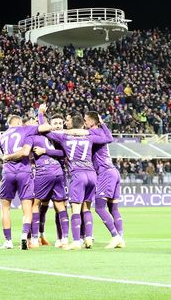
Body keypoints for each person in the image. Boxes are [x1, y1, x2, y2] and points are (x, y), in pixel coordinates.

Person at [45, 113, 113, 250]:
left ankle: (76, 241)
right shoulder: (89, 136)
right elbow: (108, 138)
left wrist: (41, 114)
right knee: (87, 208)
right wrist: (102, 123)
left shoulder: (64, 136)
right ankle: (88, 238)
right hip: (92, 174)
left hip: (77, 174)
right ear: (82, 124)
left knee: (75, 210)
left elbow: (47, 132)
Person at [0, 115, 51, 250]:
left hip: (8, 172)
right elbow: (47, 127)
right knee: (27, 208)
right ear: (18, 122)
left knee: (5, 208)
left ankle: (8, 241)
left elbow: (5, 154)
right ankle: (23, 235)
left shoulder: (1, 137)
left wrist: (8, 157)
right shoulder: (24, 130)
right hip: (24, 172)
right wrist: (41, 115)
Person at [26, 104, 69, 249]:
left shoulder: (60, 136)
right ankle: (59, 238)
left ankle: (36, 238)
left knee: (38, 204)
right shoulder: (53, 136)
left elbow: (63, 153)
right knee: (54, 205)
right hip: (57, 172)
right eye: (54, 123)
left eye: (59, 123)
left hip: (48, 172)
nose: (57, 126)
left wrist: (40, 113)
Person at [81, 112, 124, 249]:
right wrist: (103, 123)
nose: (84, 122)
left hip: (105, 173)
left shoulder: (92, 134)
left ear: (92, 122)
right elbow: (109, 137)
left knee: (99, 207)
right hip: (113, 171)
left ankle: (115, 236)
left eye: (86, 120)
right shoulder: (101, 132)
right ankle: (121, 238)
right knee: (113, 208)